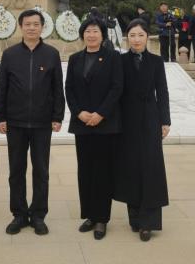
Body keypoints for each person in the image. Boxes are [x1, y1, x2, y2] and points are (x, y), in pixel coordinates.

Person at [0, 9, 65, 236]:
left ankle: (38, 215)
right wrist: (1, 116)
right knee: (16, 170)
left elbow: (57, 88)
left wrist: (57, 116)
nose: (32, 27)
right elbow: (2, 87)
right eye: (28, 24)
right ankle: (18, 214)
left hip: (42, 123)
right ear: (21, 26)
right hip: (15, 122)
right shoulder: (10, 54)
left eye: (36, 24)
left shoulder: (52, 54)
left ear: (42, 27)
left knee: (41, 170)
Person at [65, 16, 123, 240]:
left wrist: (100, 113)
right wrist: (79, 112)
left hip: (105, 124)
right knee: (85, 170)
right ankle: (89, 214)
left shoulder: (113, 57)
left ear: (102, 35)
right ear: (82, 34)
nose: (91, 34)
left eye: (95, 31)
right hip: (82, 123)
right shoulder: (75, 59)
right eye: (88, 31)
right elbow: (69, 88)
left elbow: (117, 87)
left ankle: (101, 219)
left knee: (103, 171)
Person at [114, 19, 170, 242]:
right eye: (132, 35)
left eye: (140, 35)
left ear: (147, 37)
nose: (136, 39)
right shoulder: (120, 61)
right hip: (126, 121)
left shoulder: (156, 62)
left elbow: (163, 92)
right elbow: (115, 91)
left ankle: (148, 222)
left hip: (149, 119)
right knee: (131, 167)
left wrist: (164, 121)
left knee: (150, 167)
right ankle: (135, 217)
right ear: (127, 38)